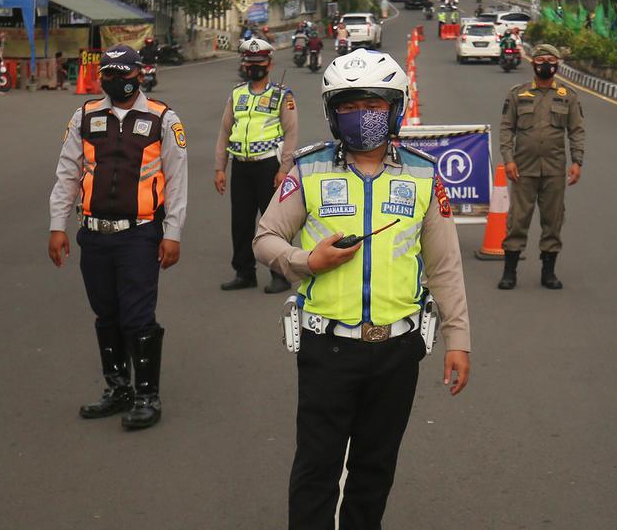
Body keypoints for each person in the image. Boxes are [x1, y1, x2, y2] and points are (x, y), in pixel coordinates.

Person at [253, 49, 471, 529]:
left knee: (374, 469)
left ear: (396, 108)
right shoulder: (309, 170)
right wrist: (305, 261)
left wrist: (458, 339)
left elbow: (445, 266)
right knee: (316, 468)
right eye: (349, 106)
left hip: (397, 350)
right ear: (333, 112)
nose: (362, 116)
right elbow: (265, 238)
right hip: (326, 347)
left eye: (374, 105)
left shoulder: (422, 174)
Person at [48, 44, 188, 431]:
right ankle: (118, 388)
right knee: (106, 313)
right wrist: (57, 226)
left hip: (140, 235)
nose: (115, 81)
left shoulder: (163, 118)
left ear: (138, 75)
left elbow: (177, 181)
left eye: (122, 74)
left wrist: (172, 233)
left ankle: (147, 395)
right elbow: (67, 174)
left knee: (138, 316)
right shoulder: (85, 116)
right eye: (107, 75)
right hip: (93, 235)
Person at [497, 43, 585, 290]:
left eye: (550, 59)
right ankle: (509, 272)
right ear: (533, 63)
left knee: (553, 221)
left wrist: (577, 161)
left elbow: (576, 131)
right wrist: (509, 159)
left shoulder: (568, 96)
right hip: (523, 168)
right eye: (541, 59)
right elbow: (507, 128)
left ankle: (549, 272)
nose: (545, 63)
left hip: (555, 170)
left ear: (557, 64)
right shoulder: (518, 94)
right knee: (517, 220)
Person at [214, 38, 299, 293]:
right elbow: (225, 131)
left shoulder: (282, 95)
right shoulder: (237, 94)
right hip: (241, 166)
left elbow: (291, 133)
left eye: (259, 63)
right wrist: (220, 167)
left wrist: (284, 168)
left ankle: (280, 274)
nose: (254, 67)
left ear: (269, 65)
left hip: (269, 168)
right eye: (250, 63)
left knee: (273, 222)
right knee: (240, 221)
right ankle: (244, 272)